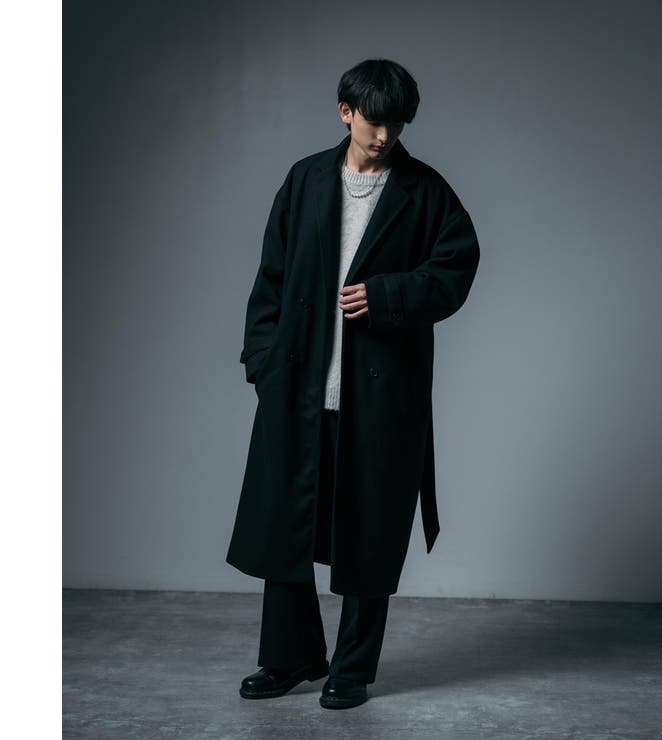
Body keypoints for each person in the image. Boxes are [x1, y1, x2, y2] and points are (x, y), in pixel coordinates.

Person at [226, 58, 480, 709]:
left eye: (397, 124)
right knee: (285, 530)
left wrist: (389, 294)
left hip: (380, 397)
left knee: (371, 533)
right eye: (374, 121)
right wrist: (264, 363)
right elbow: (271, 278)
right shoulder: (306, 180)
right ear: (346, 112)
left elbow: (456, 268)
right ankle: (289, 658)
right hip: (299, 390)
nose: (384, 135)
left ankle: (352, 669)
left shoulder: (425, 191)